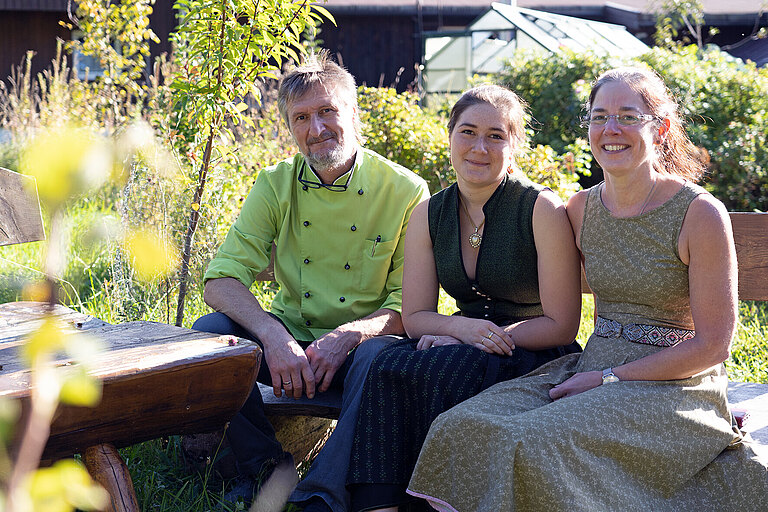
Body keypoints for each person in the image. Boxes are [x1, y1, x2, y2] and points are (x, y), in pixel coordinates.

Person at [406, 67, 768, 511]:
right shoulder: (580, 209)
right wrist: (462, 330)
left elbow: (714, 345)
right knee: (460, 424)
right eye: (599, 117)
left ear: (662, 127)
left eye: (628, 116)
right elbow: (530, 286)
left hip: (675, 385)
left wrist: (608, 378)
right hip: (589, 367)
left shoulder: (699, 213)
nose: (610, 129)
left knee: (534, 440)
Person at [192, 51, 429, 511]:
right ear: (289, 126)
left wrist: (347, 336)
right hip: (291, 345)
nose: (316, 129)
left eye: (327, 112)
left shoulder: (406, 190)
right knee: (208, 337)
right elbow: (220, 279)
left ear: (352, 113)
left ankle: (322, 492)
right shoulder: (275, 184)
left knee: (380, 359)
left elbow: (410, 303)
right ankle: (263, 470)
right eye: (302, 117)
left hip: (361, 350)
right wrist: (272, 335)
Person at [345, 84, 583, 512]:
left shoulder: (539, 208)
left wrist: (478, 338)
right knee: (387, 365)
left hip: (535, 349)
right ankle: (380, 506)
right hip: (466, 343)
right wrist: (459, 329)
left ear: (514, 145)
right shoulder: (429, 213)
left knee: (442, 371)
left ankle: (432, 504)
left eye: (496, 135)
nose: (479, 147)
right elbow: (416, 315)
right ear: (450, 135)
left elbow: (562, 323)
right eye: (468, 132)